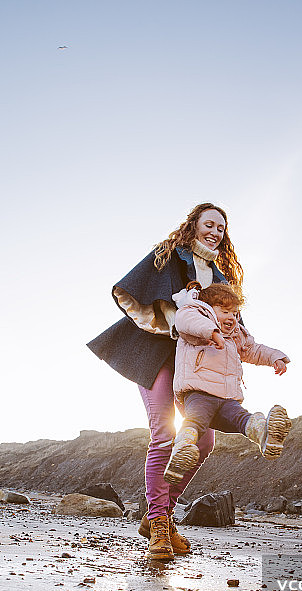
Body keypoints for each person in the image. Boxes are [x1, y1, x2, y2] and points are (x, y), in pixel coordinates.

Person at [87, 203, 244, 561]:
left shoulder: (220, 279)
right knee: (164, 434)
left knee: (204, 441)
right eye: (209, 224)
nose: (215, 232)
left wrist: (264, 354)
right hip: (158, 353)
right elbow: (141, 292)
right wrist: (177, 320)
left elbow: (235, 326)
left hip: (197, 367)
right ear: (194, 226)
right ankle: (159, 524)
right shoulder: (169, 255)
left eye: (221, 228)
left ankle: (160, 513)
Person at [163, 281, 291, 484]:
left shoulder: (236, 335)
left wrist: (275, 357)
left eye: (235, 313)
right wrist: (212, 332)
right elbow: (186, 322)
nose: (231, 317)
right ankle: (181, 451)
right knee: (194, 420)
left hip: (227, 399)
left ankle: (265, 436)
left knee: (242, 419)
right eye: (225, 311)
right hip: (199, 393)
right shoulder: (193, 315)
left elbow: (254, 350)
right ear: (207, 309)